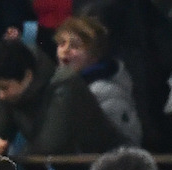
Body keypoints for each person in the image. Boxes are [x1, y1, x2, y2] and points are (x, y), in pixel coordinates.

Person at [0, 39, 123, 170]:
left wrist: (10, 151)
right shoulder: (10, 94)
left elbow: (50, 145)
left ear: (28, 76)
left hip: (107, 169)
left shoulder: (65, 84)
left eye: (4, 88)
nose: (1, 96)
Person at [53, 15, 141, 147]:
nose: (65, 50)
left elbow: (125, 142)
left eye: (75, 46)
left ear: (94, 56)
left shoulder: (105, 91)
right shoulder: (60, 85)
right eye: (62, 43)